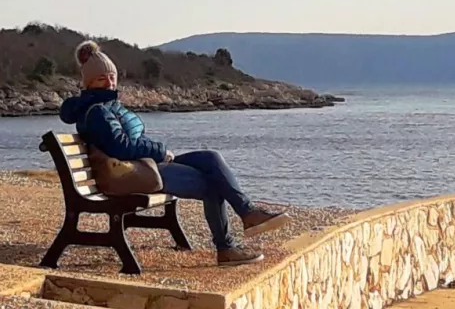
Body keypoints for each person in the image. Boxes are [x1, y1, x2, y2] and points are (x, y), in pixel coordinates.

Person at [59, 40, 288, 265]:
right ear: (89, 83)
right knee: (212, 183)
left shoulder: (107, 107)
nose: (110, 83)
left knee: (210, 158)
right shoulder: (98, 111)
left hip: (142, 166)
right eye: (102, 79)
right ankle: (226, 247)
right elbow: (123, 148)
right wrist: (160, 152)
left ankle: (248, 213)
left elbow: (130, 142)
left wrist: (159, 152)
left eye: (112, 76)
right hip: (128, 174)